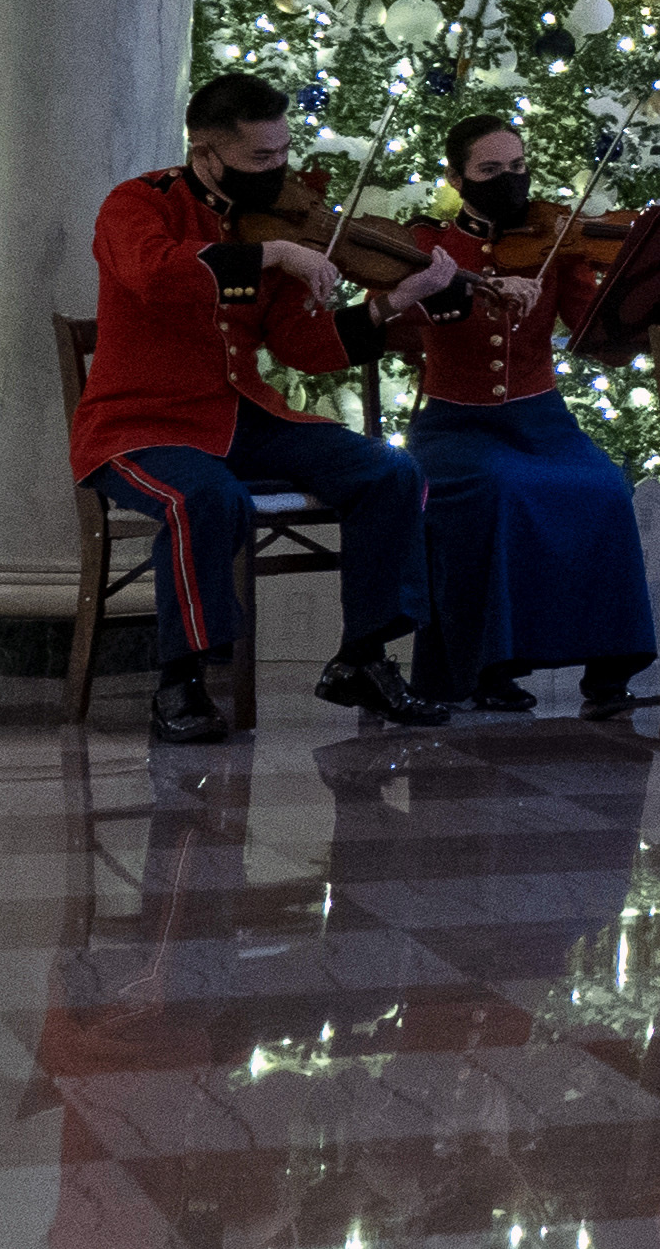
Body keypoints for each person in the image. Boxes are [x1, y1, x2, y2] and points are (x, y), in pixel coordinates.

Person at [73, 73, 464, 746]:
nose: (280, 170)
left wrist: (403, 296)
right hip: (138, 423)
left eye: (283, 152)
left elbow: (304, 346)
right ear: (206, 152)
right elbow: (157, 275)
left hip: (240, 414)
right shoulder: (138, 203)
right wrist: (276, 252)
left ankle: (362, 657)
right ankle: (181, 681)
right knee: (204, 496)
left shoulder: (277, 215)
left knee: (389, 471)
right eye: (262, 158)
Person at [393, 118, 655, 716]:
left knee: (606, 487)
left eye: (517, 168)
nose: (510, 182)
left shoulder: (554, 239)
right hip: (454, 425)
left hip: (544, 421)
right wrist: (456, 293)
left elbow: (597, 337)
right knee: (497, 489)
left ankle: (609, 670)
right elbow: (391, 324)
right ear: (456, 178)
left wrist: (628, 302)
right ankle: (490, 668)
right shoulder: (428, 248)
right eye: (490, 172)